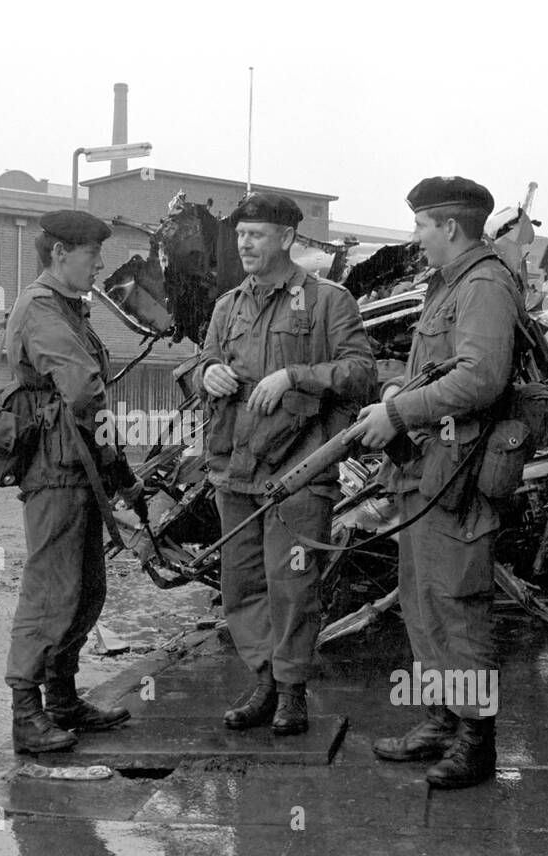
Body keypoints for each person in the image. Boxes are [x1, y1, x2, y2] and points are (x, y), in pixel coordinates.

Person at [355, 176, 518, 788]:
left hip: (461, 474)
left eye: (422, 226)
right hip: (428, 475)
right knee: (423, 603)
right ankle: (441, 719)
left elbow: (481, 379)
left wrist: (398, 412)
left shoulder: (484, 285)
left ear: (450, 226)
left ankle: (477, 742)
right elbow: (438, 371)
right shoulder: (447, 288)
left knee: (458, 606)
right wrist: (402, 387)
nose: (416, 239)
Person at [196, 193, 375, 735]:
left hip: (298, 470)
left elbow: (361, 371)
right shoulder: (228, 306)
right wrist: (206, 373)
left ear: (287, 239)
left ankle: (293, 689)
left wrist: (296, 376)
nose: (245, 244)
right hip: (236, 468)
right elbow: (200, 361)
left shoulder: (327, 301)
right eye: (240, 234)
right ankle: (264, 682)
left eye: (257, 234)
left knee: (293, 583)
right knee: (241, 584)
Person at [3, 210, 142, 755]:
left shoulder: (68, 309)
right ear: (60, 253)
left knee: (85, 590)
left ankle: (61, 698)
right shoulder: (40, 306)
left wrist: (117, 468)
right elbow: (84, 390)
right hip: (56, 470)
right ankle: (25, 711)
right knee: (50, 589)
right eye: (91, 254)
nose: (100, 264)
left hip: (79, 464)